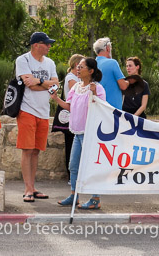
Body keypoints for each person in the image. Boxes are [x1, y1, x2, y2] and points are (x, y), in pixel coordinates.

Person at [51, 58, 106, 209]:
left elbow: (102, 108)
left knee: (90, 167)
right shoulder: (75, 87)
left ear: (91, 71)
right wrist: (56, 99)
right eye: (77, 66)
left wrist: (94, 94)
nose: (78, 69)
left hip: (90, 134)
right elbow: (69, 106)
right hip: (77, 132)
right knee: (73, 165)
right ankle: (74, 195)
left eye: (81, 67)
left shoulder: (98, 88)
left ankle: (95, 198)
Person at [15, 32, 58, 203]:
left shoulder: (50, 62)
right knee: (27, 150)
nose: (49, 46)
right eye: (46, 44)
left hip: (43, 111)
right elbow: (28, 84)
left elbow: (55, 84)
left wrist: (38, 81)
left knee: (36, 151)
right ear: (35, 45)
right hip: (27, 110)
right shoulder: (23, 60)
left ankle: (33, 187)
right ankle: (27, 189)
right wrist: (45, 84)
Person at [57, 54, 84, 178]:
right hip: (71, 114)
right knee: (70, 144)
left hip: (78, 115)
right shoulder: (71, 78)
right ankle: (71, 173)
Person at [93, 37, 129, 109]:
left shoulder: (92, 64)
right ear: (108, 48)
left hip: (97, 106)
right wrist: (128, 82)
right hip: (112, 107)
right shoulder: (112, 63)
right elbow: (123, 86)